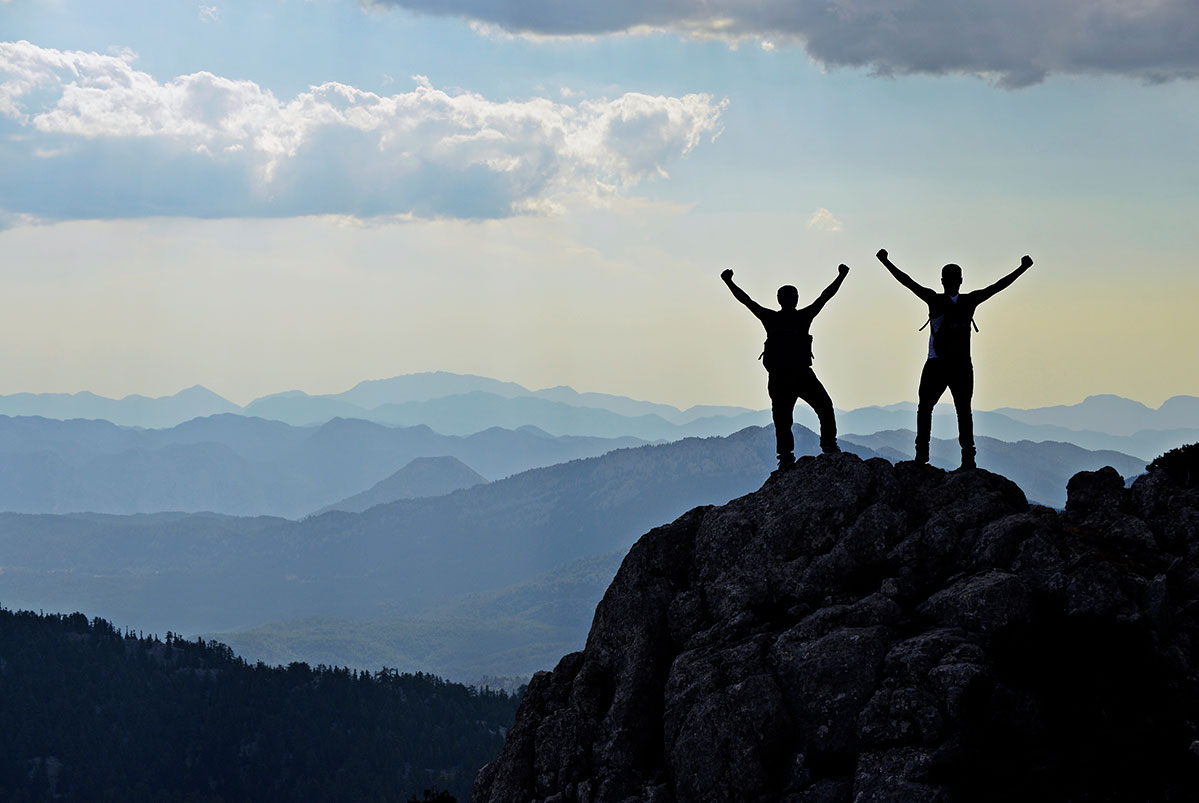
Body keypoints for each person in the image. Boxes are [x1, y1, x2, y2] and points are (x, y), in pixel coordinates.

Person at [876, 249, 1033, 469]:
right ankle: (968, 460)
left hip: (936, 364)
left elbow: (907, 282)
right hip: (961, 365)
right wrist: (1023, 268)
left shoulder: (934, 299)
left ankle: (922, 457)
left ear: (942, 281)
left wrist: (885, 261)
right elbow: (998, 286)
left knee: (926, 408)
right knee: (963, 411)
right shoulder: (970, 301)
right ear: (961, 280)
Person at [721, 264, 849, 471]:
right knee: (824, 407)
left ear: (779, 299)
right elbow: (826, 296)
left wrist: (728, 282)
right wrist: (841, 276)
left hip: (779, 378)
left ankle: (786, 458)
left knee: (783, 420)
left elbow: (746, 301)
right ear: (796, 299)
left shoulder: (771, 318)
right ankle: (828, 446)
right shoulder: (802, 317)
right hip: (802, 375)